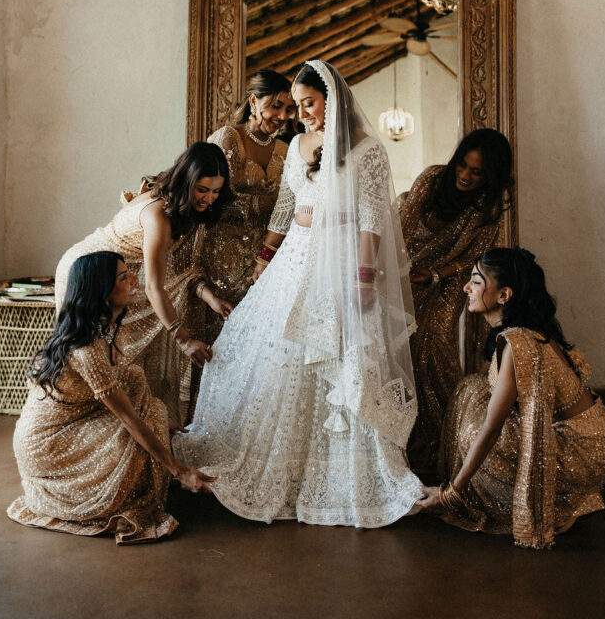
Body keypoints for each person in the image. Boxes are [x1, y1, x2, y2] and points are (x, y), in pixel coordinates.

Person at [173, 60, 422, 527]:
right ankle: (269, 457)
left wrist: (364, 278)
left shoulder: (366, 149)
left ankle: (341, 473)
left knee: (336, 358)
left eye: (308, 103)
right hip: (296, 257)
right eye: (296, 105)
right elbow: (286, 210)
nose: (300, 114)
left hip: (343, 258)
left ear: (333, 98)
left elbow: (372, 219)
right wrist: (264, 262)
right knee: (265, 352)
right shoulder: (298, 146)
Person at [418, 247, 605, 549]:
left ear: (504, 296)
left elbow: (490, 429)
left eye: (476, 281)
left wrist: (451, 495)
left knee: (474, 430)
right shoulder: (514, 333)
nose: (466, 288)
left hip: (583, 451)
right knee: (471, 391)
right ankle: (569, 497)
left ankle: (562, 504)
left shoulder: (518, 344)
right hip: (581, 439)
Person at [8, 252, 215, 544]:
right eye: (123, 277)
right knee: (146, 423)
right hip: (48, 445)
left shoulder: (101, 327)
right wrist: (180, 471)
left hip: (71, 423)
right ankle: (99, 498)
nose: (134, 280)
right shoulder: (87, 348)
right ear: (100, 291)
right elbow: (129, 419)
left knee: (150, 408)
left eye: (129, 273)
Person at [54, 142, 233, 425]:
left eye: (216, 191)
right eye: (202, 189)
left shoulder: (179, 202)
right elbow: (154, 287)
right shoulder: (159, 215)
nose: (209, 199)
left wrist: (210, 298)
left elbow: (181, 269)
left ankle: (132, 434)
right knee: (96, 358)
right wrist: (184, 339)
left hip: (119, 276)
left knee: (120, 361)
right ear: (187, 181)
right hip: (88, 273)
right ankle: (87, 435)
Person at [400, 128, 513, 476]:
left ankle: (444, 443)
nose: (465, 175)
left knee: (434, 344)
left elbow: (474, 259)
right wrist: (399, 272)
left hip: (450, 278)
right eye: (462, 165)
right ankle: (402, 444)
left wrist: (435, 274)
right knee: (398, 344)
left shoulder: (489, 205)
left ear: (490, 175)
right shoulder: (433, 179)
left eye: (476, 172)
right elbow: (401, 229)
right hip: (404, 266)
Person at [200, 70, 295, 343]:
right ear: (253, 101)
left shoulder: (284, 150)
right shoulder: (228, 139)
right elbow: (208, 199)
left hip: (263, 259)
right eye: (275, 106)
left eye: (289, 109)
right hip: (221, 256)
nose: (282, 116)